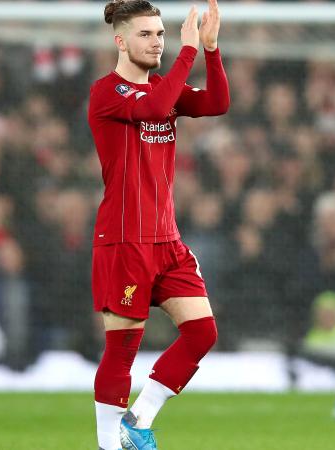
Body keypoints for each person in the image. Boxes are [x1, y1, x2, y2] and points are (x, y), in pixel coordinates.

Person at [87, 0, 229, 448]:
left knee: (202, 332)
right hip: (125, 240)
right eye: (145, 34)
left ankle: (140, 420)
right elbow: (152, 110)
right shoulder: (107, 92)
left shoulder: (163, 90)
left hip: (167, 241)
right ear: (121, 40)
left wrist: (209, 49)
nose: (156, 42)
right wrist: (187, 54)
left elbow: (217, 103)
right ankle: (109, 445)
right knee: (122, 350)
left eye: (161, 34)